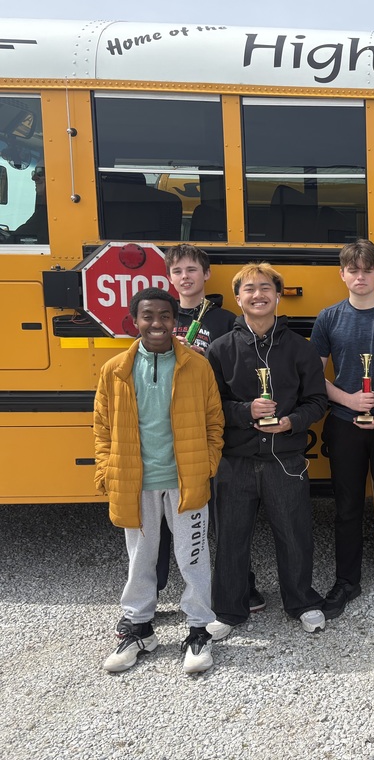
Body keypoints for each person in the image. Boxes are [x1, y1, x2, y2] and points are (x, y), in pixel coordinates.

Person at [93, 287, 224, 673]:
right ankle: (138, 627)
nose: (157, 324)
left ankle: (199, 630)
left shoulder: (197, 366)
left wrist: (208, 465)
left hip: (186, 482)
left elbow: (215, 423)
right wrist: (106, 469)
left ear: (174, 321)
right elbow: (101, 428)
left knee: (193, 557)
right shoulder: (115, 369)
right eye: (148, 316)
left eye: (164, 316)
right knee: (141, 560)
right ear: (136, 321)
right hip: (136, 483)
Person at [205, 263, 328, 641]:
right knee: (230, 536)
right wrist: (245, 412)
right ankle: (228, 608)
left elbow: (318, 400)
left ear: (277, 295)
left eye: (265, 288)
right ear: (238, 297)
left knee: (294, 534)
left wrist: (292, 421)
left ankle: (302, 601)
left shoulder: (299, 348)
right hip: (235, 459)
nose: (258, 295)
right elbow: (209, 406)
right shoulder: (219, 349)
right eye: (249, 289)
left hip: (285, 459)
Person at [151, 244, 266, 612]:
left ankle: (239, 585)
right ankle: (154, 590)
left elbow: (234, 373)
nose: (185, 277)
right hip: (165, 427)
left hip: (207, 425)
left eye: (192, 270)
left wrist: (202, 359)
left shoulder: (225, 320)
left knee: (222, 515)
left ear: (206, 274)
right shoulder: (160, 316)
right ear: (170, 277)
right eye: (178, 271)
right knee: (164, 515)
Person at [311, 239, 374, 618]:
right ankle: (346, 580)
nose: (360, 276)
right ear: (342, 275)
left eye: (367, 270)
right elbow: (314, 375)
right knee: (348, 507)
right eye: (353, 270)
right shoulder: (329, 318)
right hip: (344, 424)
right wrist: (348, 400)